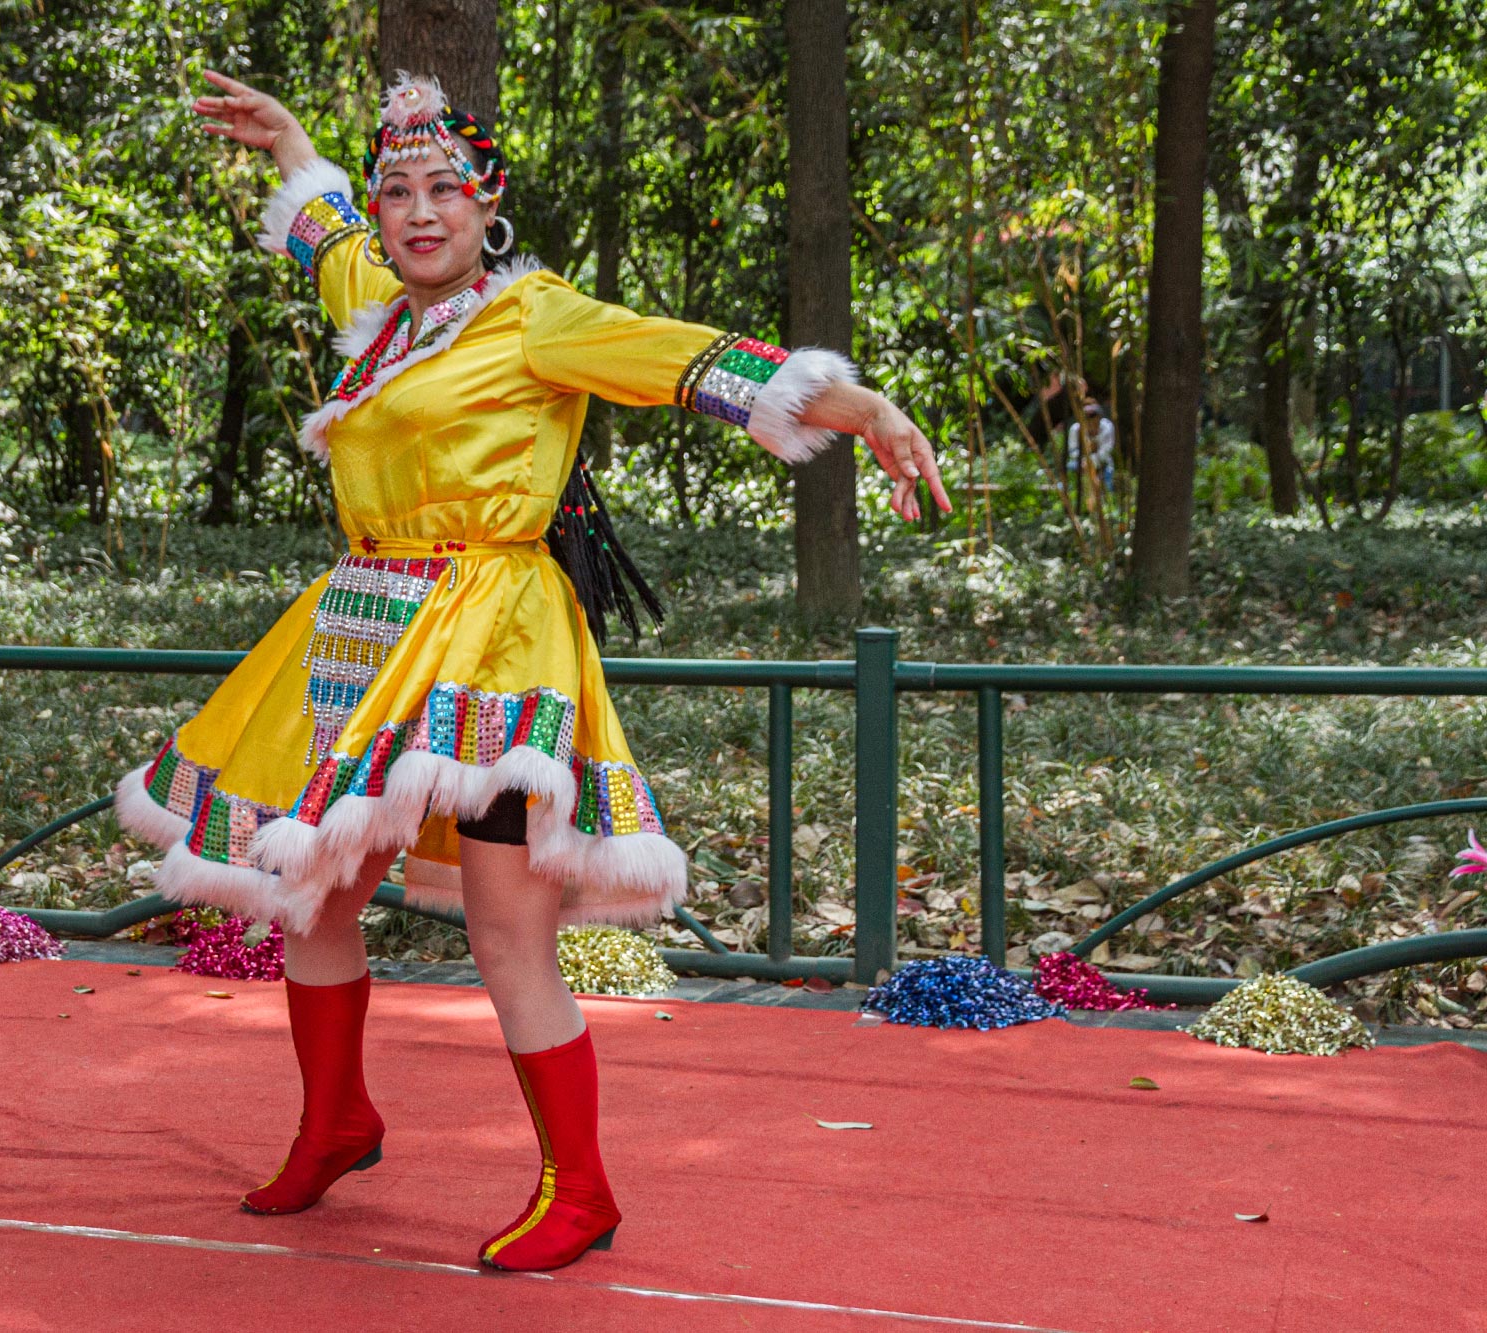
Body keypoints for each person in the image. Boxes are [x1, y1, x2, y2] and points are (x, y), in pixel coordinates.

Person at [114, 68, 950, 1273]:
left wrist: (855, 401)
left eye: (442, 190)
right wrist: (291, 142)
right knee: (317, 898)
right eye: (398, 190)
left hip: (491, 649)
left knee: (508, 933)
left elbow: (689, 361)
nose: (414, 212)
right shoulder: (377, 305)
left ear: (486, 205)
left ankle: (582, 1186)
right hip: (357, 635)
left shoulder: (535, 315)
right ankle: (335, 1121)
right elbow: (324, 227)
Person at [1067, 399, 1115, 499]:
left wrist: (1091, 461)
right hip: (1080, 464)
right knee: (1069, 470)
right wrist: (1085, 460)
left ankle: (1107, 498)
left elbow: (1106, 451)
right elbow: (1072, 452)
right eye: (1087, 416)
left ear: (1099, 416)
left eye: (1093, 415)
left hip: (1102, 464)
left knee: (1107, 484)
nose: (1091, 419)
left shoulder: (1107, 427)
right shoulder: (1075, 429)